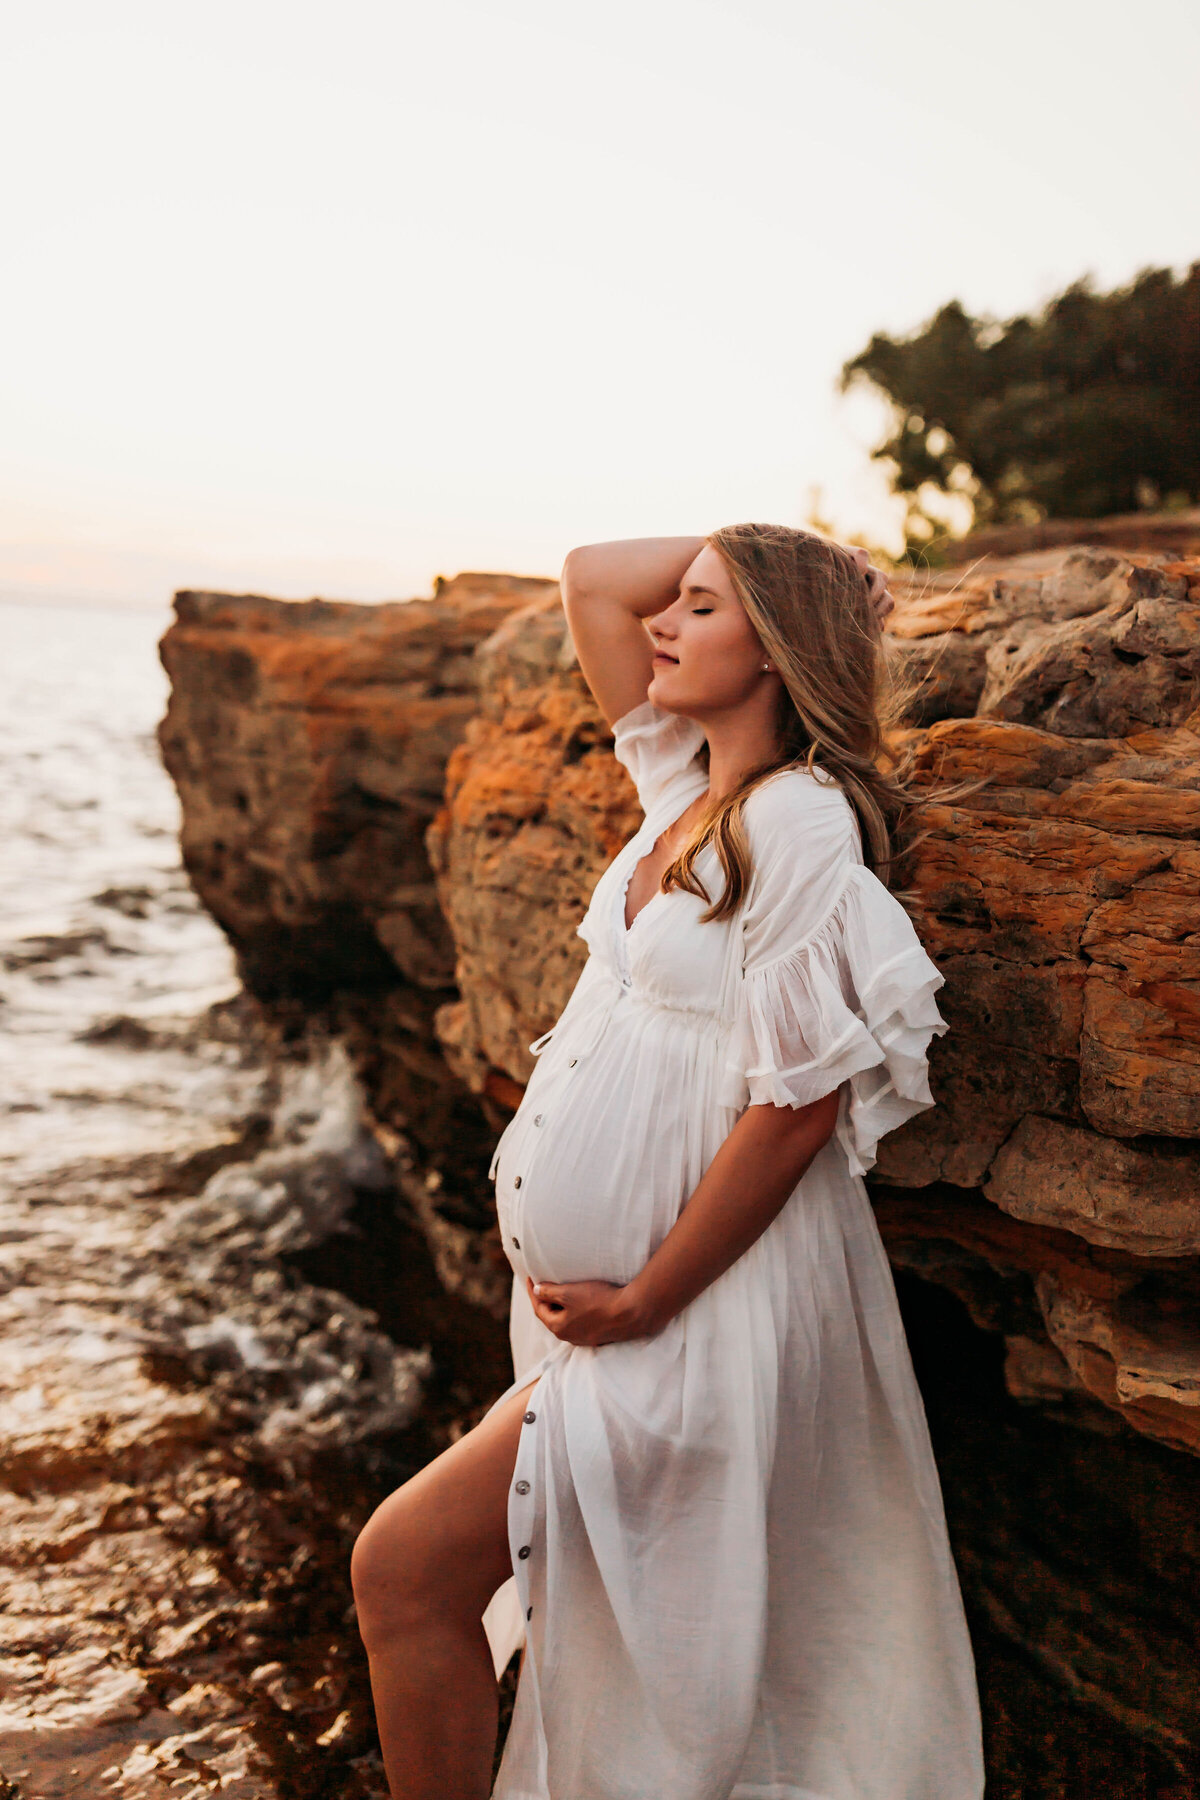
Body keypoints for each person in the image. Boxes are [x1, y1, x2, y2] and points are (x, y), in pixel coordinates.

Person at [351, 526, 986, 1800]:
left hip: (691, 1317)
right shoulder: (683, 793)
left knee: (403, 1568)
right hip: (615, 1323)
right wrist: (765, 558)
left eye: (699, 610)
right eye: (679, 603)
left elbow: (796, 1109)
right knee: (620, 1662)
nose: (660, 623)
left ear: (774, 650)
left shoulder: (802, 824)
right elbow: (593, 573)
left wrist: (647, 1297)